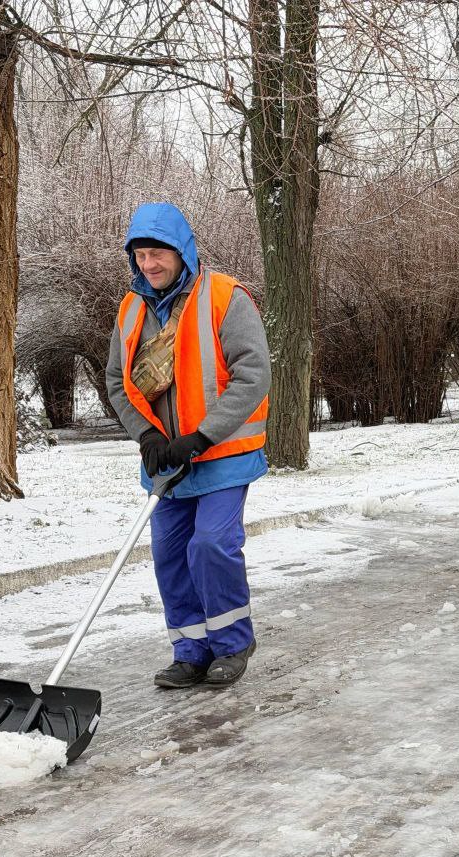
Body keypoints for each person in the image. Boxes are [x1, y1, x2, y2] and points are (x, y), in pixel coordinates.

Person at [105, 202, 271, 687]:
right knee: (170, 553)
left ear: (182, 251)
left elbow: (253, 374)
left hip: (221, 456)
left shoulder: (224, 297)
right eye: (140, 255)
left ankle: (232, 644)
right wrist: (148, 435)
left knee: (212, 545)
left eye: (158, 253)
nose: (149, 265)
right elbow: (118, 380)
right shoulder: (132, 308)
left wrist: (202, 435)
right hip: (167, 462)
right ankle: (191, 649)